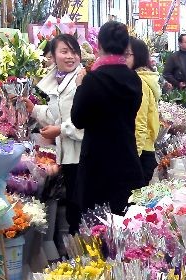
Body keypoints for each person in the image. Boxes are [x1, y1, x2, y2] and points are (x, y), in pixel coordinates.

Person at [71, 21, 144, 228]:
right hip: (127, 160)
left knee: (96, 228)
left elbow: (78, 119)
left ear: (99, 45)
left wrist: (80, 87)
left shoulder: (93, 80)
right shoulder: (134, 79)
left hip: (97, 164)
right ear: (125, 47)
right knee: (125, 226)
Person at [24, 34, 84, 232]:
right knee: (73, 210)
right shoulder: (59, 80)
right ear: (53, 55)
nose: (70, 57)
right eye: (64, 51)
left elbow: (87, 119)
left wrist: (61, 130)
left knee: (79, 210)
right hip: (67, 156)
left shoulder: (82, 80)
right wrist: (33, 109)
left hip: (83, 155)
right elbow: (56, 114)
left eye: (74, 52)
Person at [125, 37, 161, 185]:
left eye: (126, 54)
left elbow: (140, 124)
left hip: (140, 153)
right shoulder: (141, 79)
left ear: (138, 56)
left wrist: (133, 158)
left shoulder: (139, 82)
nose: (122, 59)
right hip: (143, 151)